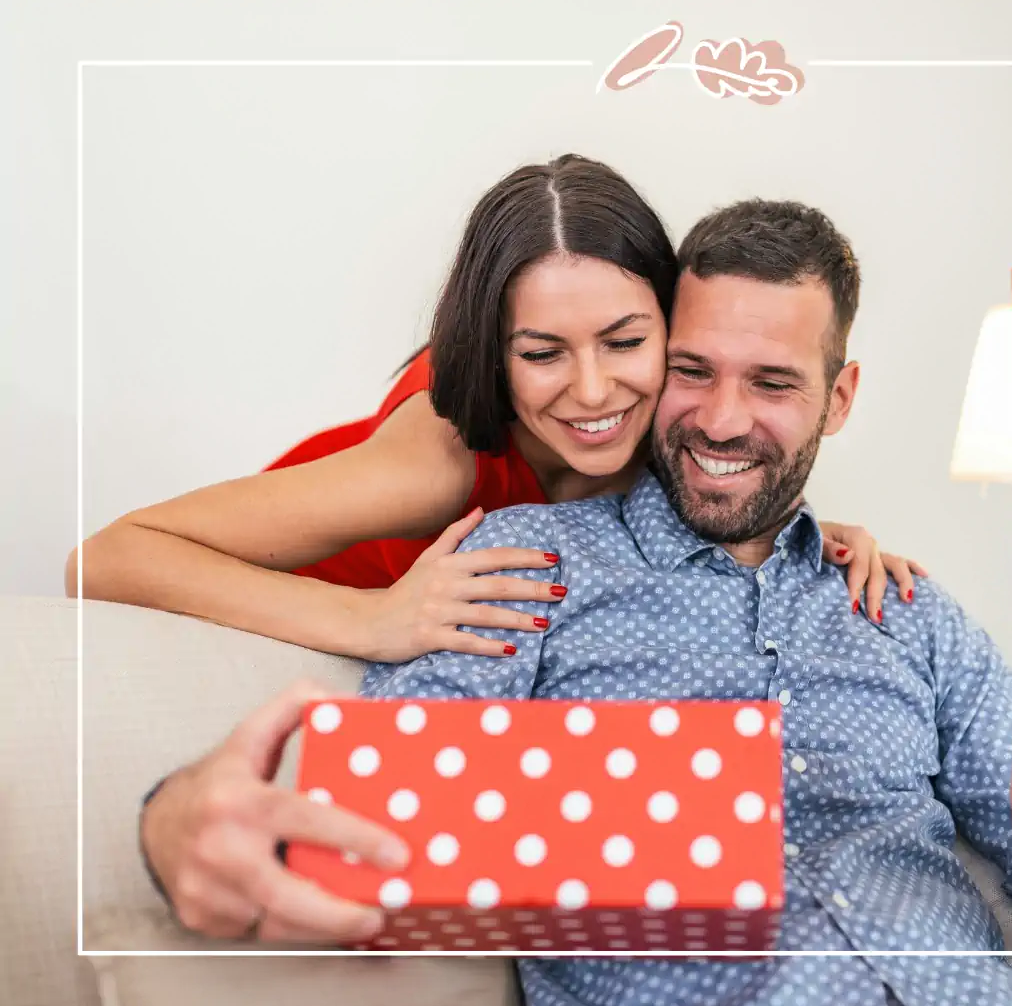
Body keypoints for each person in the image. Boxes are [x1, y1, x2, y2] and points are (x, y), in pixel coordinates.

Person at [138, 198, 1012, 1006]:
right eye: (692, 370)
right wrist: (174, 815)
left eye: (772, 382)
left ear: (836, 399)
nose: (721, 418)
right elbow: (368, 817)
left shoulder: (903, 609)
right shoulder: (514, 560)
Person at [68, 154, 918, 665]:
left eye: (625, 342)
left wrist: (815, 539)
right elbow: (104, 558)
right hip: (289, 627)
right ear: (494, 349)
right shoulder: (436, 459)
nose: (591, 393)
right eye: (542, 353)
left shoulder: (669, 419)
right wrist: (373, 616)